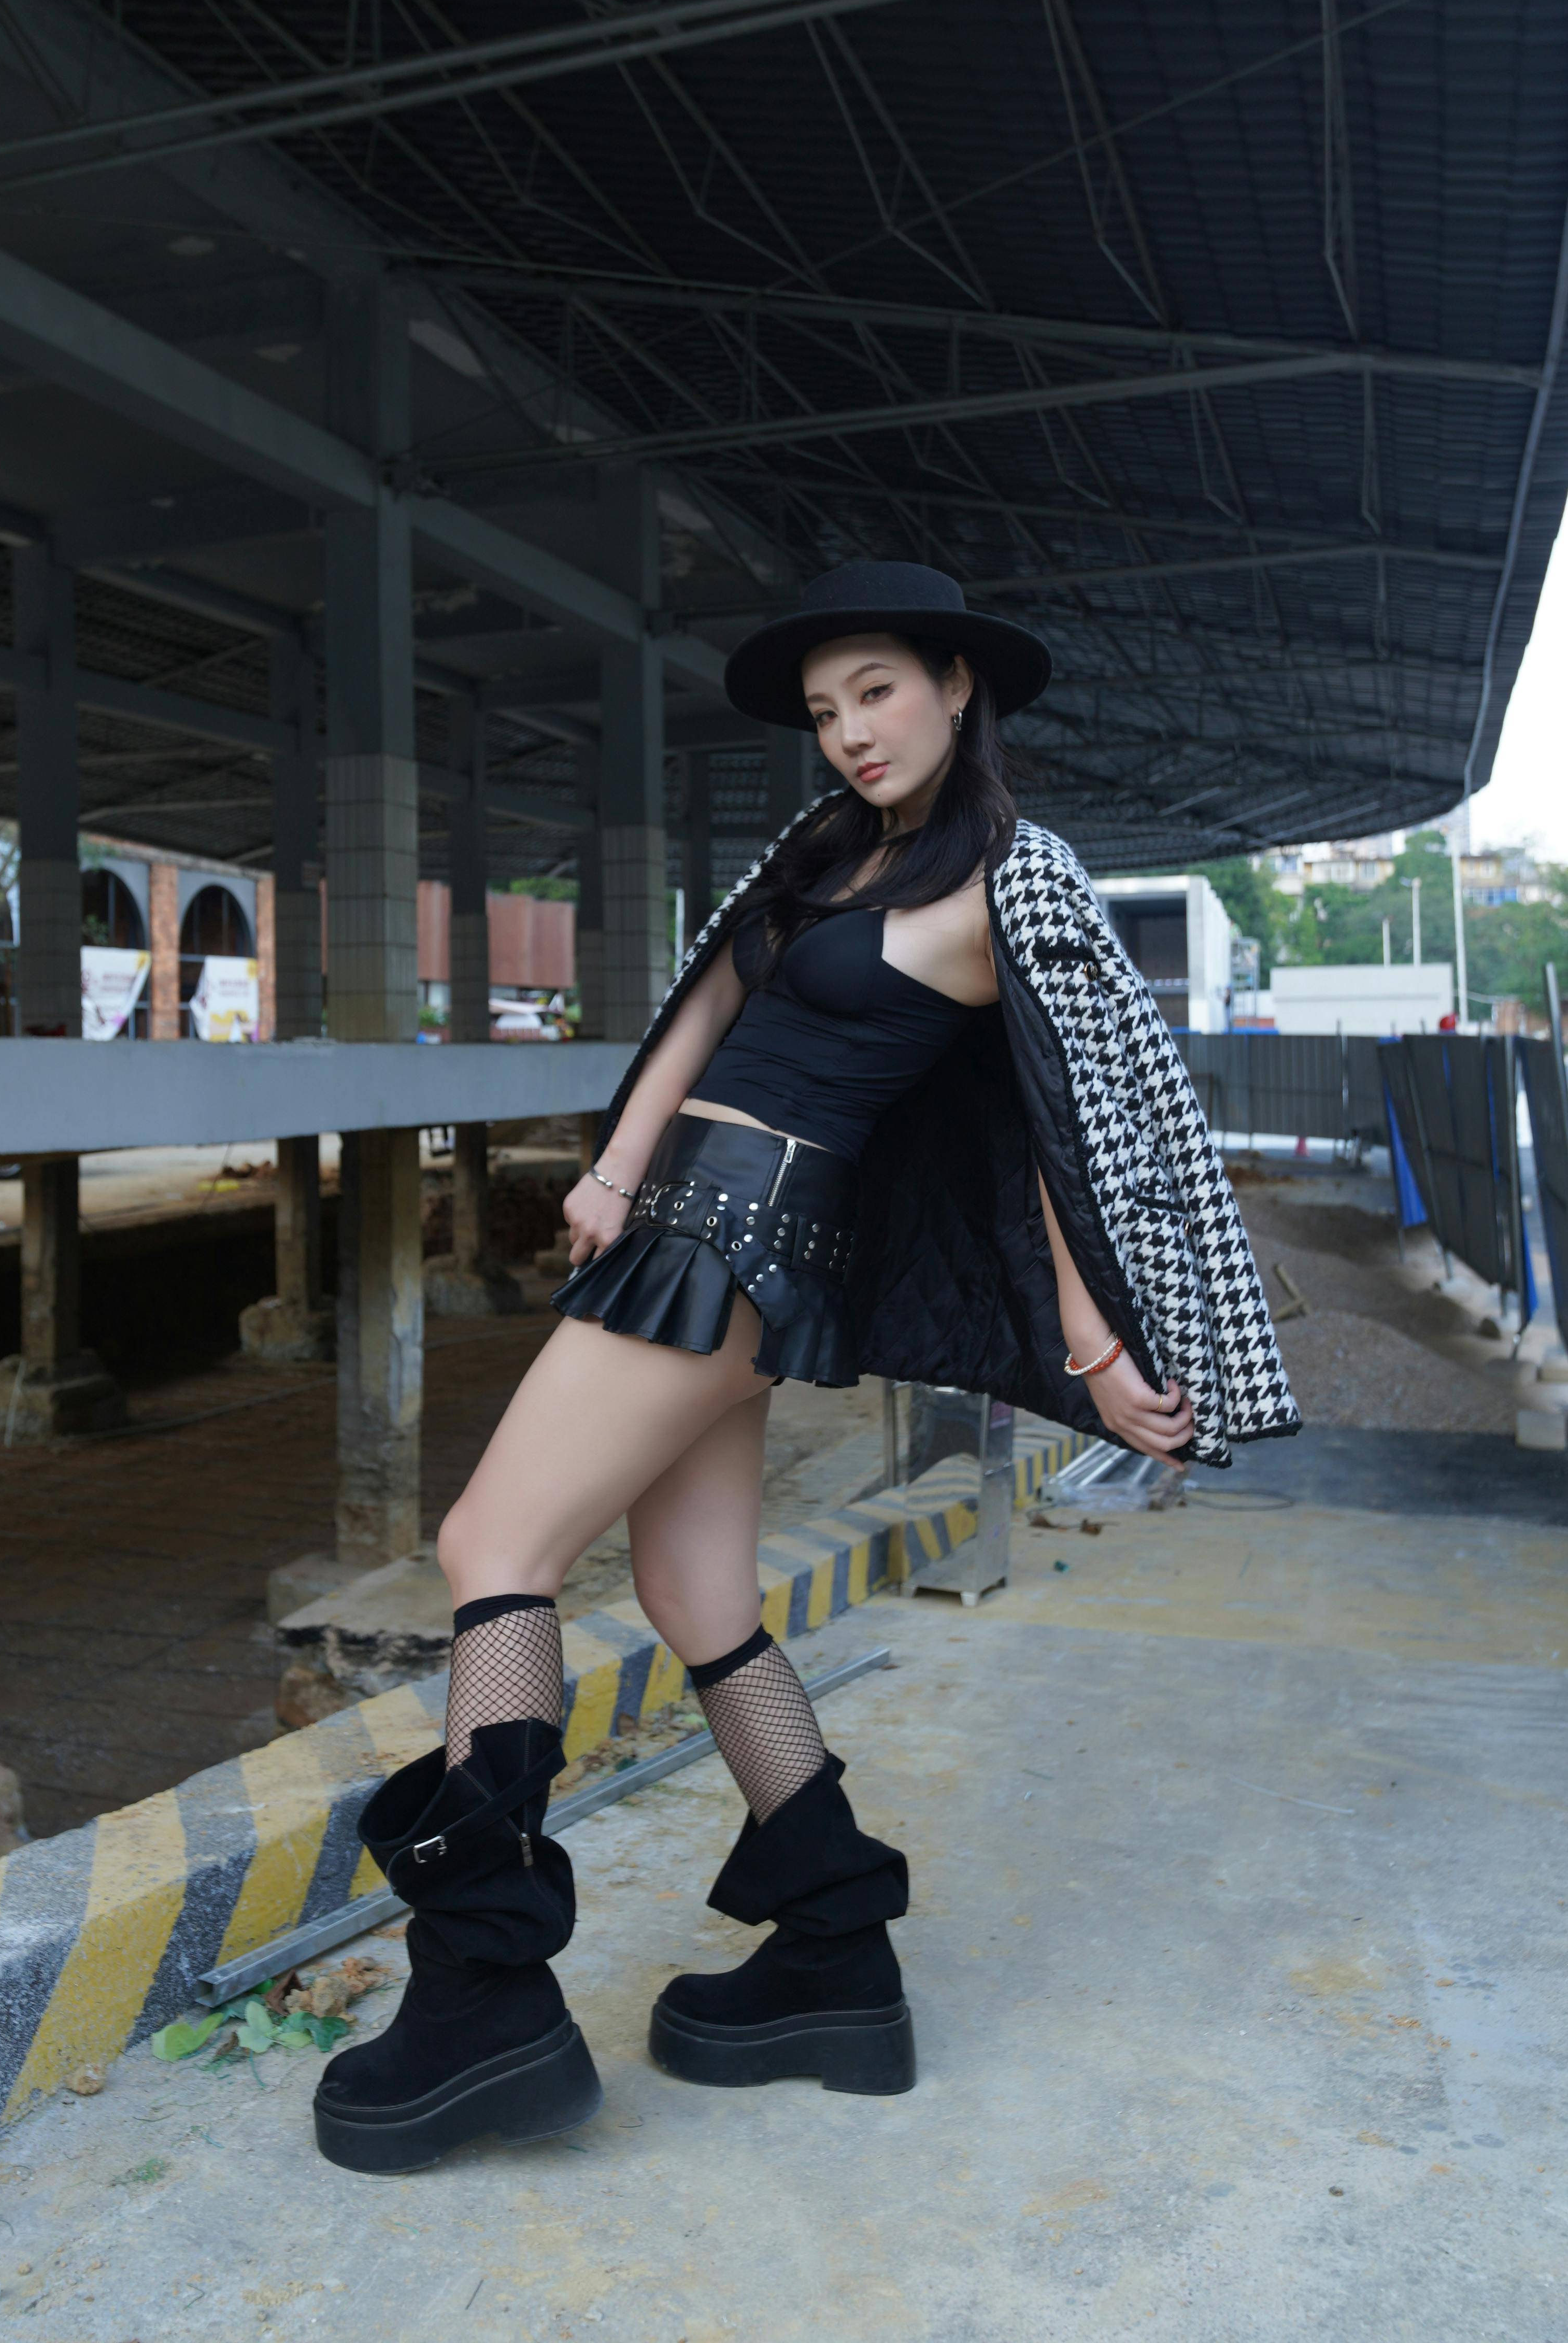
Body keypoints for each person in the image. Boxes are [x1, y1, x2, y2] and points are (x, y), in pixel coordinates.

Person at [312, 558, 1298, 2176]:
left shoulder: (1017, 879)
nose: (850, 731)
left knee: (492, 1546)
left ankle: (482, 1993)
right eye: (828, 710)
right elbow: (709, 999)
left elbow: (1062, 1117)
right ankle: (837, 1950)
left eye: (878, 693)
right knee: (698, 1595)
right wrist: (612, 1170)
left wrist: (1096, 1337)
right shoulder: (832, 850)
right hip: (692, 1226)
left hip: (740, 1241)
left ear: (957, 686)